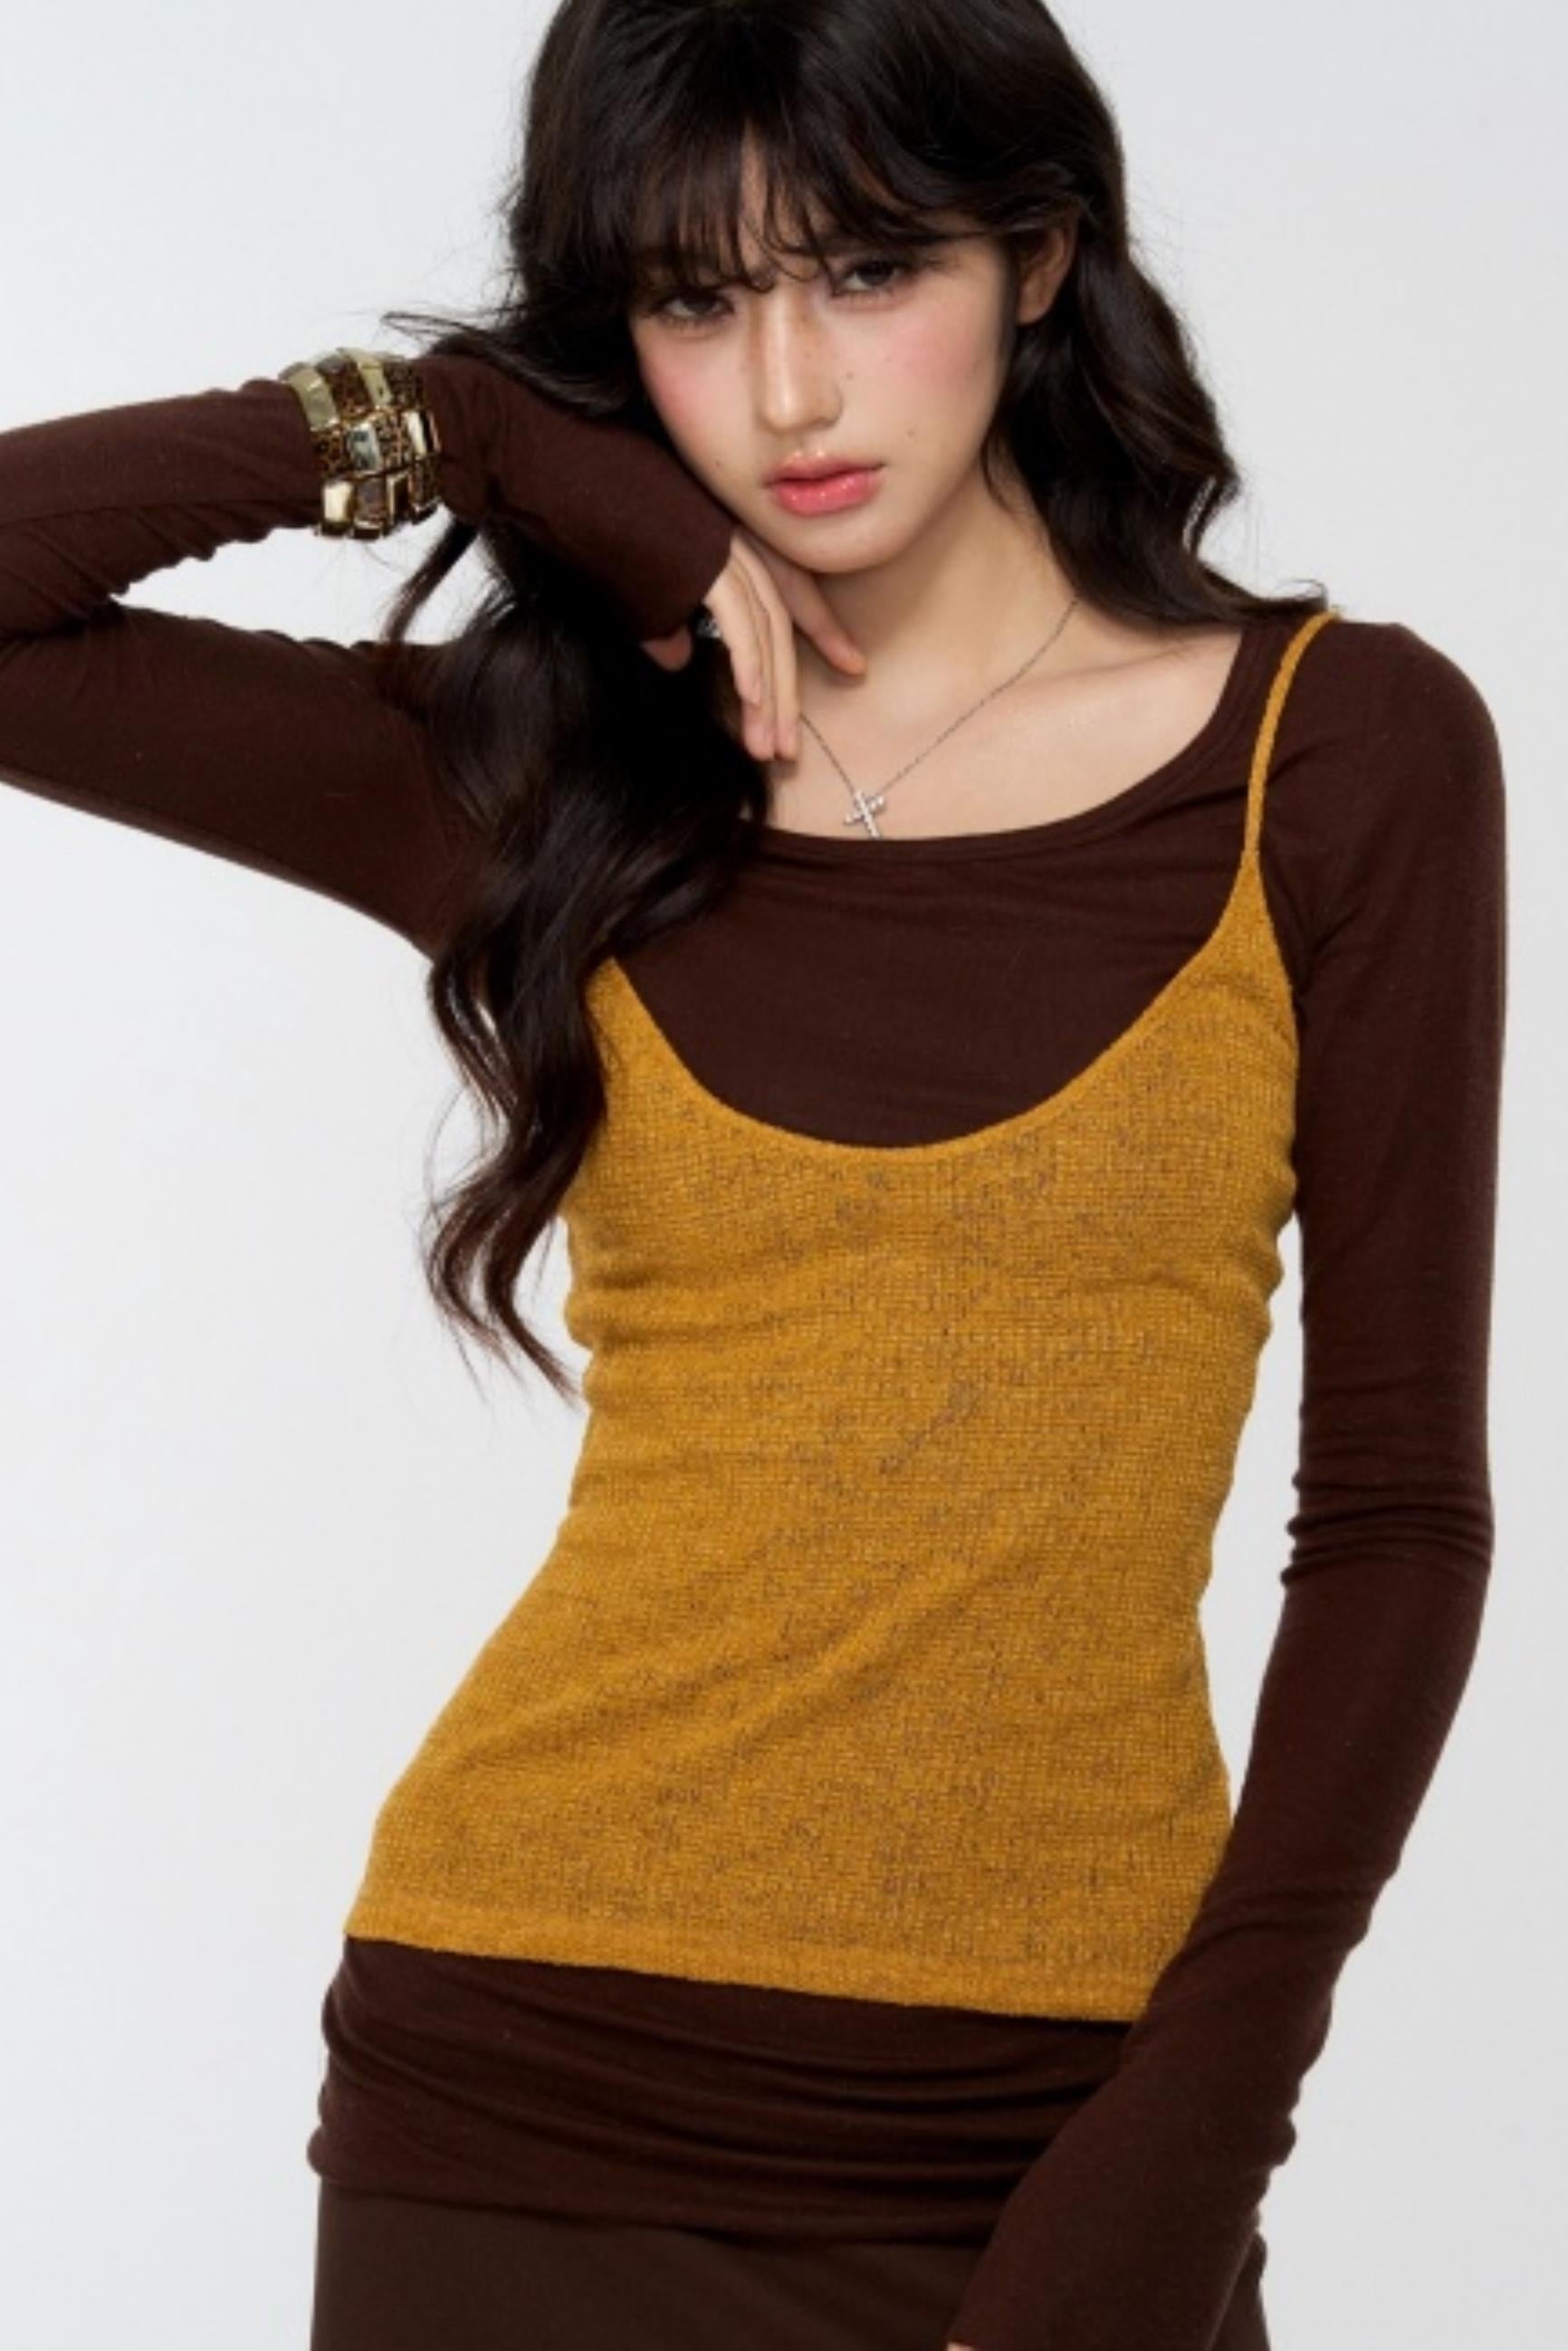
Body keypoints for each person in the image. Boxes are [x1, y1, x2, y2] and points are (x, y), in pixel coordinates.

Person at [0, 4, 1506, 2348]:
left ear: (1037, 257)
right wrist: (474, 434)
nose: (790, 392)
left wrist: (1199, 2135)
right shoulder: (542, 776)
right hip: (521, 2086)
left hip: (1059, 2111)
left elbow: (1396, 1514)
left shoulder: (1339, 756)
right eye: (693, 302)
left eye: (868, 271)